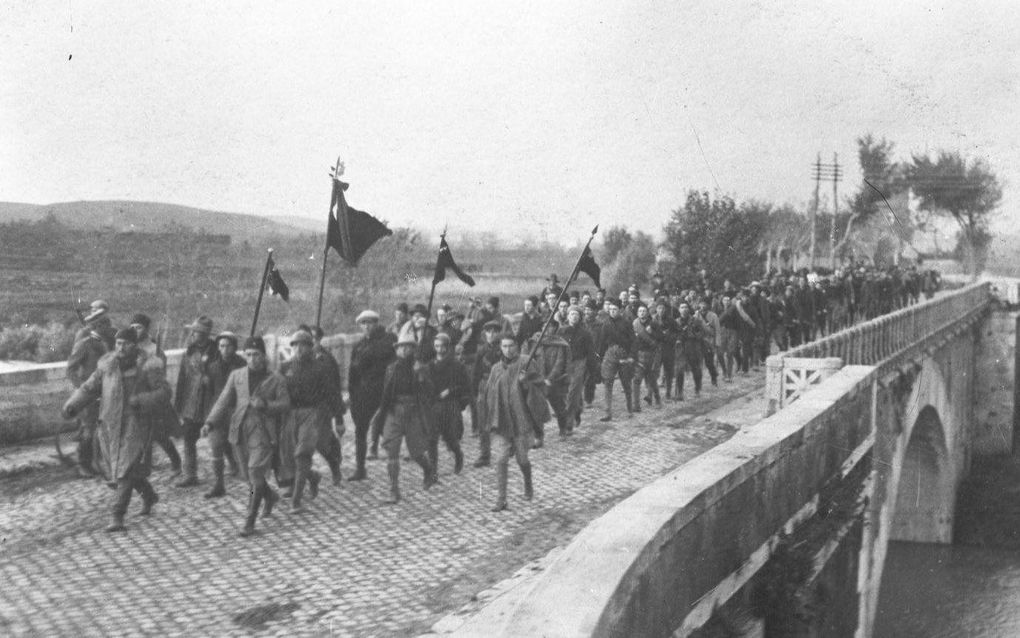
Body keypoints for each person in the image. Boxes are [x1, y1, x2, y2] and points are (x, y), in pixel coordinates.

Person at [61, 328, 170, 532]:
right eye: (118, 343)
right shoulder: (107, 365)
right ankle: (150, 496)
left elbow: (164, 392)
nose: (120, 348)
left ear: (135, 345)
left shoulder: (149, 366)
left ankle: (117, 515)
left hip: (136, 425)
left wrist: (142, 400)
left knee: (125, 470)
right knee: (120, 468)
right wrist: (73, 405)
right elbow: (89, 387)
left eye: (125, 344)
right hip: (110, 424)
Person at [204, 336, 290, 537]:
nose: (252, 359)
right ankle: (269, 497)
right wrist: (210, 422)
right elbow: (223, 400)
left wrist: (267, 405)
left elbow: (286, 404)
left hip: (263, 431)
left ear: (263, 355)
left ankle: (249, 520)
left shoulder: (275, 378)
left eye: (256, 355)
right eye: (249, 355)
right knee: (249, 476)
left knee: (255, 472)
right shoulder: (237, 375)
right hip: (240, 429)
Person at [279, 330, 346, 512]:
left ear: (311, 347)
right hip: (291, 414)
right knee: (288, 456)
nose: (299, 349)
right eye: (295, 345)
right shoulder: (285, 368)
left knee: (303, 454)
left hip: (314, 413)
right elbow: (275, 390)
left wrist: (339, 418)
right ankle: (312, 477)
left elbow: (332, 394)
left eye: (304, 345)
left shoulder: (320, 367)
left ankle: (296, 500)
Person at [482, 333, 549, 512]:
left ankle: (528, 481)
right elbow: (489, 392)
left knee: (522, 459)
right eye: (504, 346)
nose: (508, 350)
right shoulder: (496, 368)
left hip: (521, 421)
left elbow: (540, 388)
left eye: (511, 345)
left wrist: (526, 382)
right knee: (501, 459)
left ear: (517, 346)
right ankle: (501, 499)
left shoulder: (526, 363)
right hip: (502, 421)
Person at [371, 335, 437, 504]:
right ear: (397, 350)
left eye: (409, 347)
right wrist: (381, 415)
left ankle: (428, 470)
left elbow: (430, 391)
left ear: (414, 349)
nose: (405, 350)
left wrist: (421, 376)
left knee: (416, 452)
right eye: (402, 347)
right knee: (392, 451)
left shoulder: (420, 368)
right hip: (394, 412)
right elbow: (386, 392)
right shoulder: (391, 368)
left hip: (413, 411)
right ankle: (394, 490)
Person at [128, 313, 183, 477]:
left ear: (146, 329)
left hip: (152, 397)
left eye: (138, 327)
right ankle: (147, 466)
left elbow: (159, 376)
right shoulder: (131, 347)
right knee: (144, 434)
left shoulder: (155, 350)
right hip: (136, 396)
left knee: (158, 434)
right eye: (132, 328)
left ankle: (175, 462)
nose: (135, 331)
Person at [66, 300, 116, 478]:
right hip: (89, 391)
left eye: (106, 323)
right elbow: (70, 369)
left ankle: (97, 461)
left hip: (106, 390)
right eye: (102, 324)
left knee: (101, 428)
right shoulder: (85, 342)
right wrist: (82, 389)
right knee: (89, 430)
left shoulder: (107, 342)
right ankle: (83, 464)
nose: (106, 327)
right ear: (96, 324)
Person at [347, 310, 396, 480]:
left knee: (388, 433)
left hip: (383, 393)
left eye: (370, 322)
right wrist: (352, 396)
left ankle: (394, 471)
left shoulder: (388, 341)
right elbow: (352, 374)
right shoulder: (359, 345)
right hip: (363, 395)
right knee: (360, 432)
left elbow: (393, 365)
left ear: (376, 323)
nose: (366, 326)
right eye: (363, 323)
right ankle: (360, 469)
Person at [200, 331, 247, 498]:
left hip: (237, 412)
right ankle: (219, 484)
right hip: (218, 413)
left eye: (228, 346)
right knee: (216, 448)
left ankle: (254, 484)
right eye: (221, 346)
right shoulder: (212, 367)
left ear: (234, 347)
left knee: (242, 451)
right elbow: (211, 394)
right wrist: (208, 417)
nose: (225, 349)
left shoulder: (243, 366)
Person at [174, 316, 218, 488]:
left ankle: (235, 466)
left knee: (220, 438)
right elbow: (182, 379)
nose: (192, 334)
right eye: (192, 331)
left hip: (210, 402)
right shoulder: (189, 352)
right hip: (192, 403)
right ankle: (190, 474)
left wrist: (210, 379)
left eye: (196, 332)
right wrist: (179, 405)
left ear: (205, 334)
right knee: (188, 438)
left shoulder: (216, 351)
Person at [427, 333, 470, 479]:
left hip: (450, 405)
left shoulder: (456, 365)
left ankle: (458, 455)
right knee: (432, 439)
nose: (439, 349)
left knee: (450, 438)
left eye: (442, 346)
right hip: (434, 405)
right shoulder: (430, 365)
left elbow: (464, 385)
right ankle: (433, 470)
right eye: (437, 346)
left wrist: (450, 391)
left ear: (447, 346)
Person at [471, 320, 503, 467]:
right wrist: (474, 391)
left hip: (500, 385)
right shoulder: (481, 350)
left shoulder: (504, 349)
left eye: (494, 331)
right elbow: (476, 372)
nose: (491, 334)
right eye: (488, 331)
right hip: (484, 386)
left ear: (499, 333)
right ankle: (485, 455)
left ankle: (510, 447)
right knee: (483, 422)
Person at [597, 298, 634, 421]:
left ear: (620, 310)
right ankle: (608, 412)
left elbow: (633, 341)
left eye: (615, 309)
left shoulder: (627, 323)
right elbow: (602, 342)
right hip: (610, 355)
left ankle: (630, 408)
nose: (612, 312)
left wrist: (631, 356)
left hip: (624, 355)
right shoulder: (606, 324)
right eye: (611, 309)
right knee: (607, 382)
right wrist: (601, 357)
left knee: (626, 383)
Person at [558, 305, 595, 430]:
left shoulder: (585, 333)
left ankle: (568, 422)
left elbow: (590, 352)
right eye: (572, 314)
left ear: (580, 317)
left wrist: (593, 369)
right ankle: (577, 410)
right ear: (568, 316)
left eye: (576, 314)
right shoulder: (561, 331)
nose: (574, 316)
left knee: (573, 391)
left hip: (580, 363)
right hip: (565, 364)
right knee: (567, 391)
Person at [632, 303, 662, 409]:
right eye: (640, 311)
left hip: (651, 354)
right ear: (637, 313)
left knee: (652, 379)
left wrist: (652, 333)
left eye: (644, 311)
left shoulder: (653, 324)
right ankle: (636, 406)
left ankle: (657, 398)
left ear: (647, 313)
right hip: (639, 354)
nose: (642, 313)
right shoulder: (635, 324)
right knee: (636, 379)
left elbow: (660, 337)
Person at [674, 302, 706, 400]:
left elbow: (702, 332)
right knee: (679, 370)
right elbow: (673, 334)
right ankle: (679, 393)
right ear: (679, 310)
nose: (684, 309)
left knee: (696, 369)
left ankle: (697, 388)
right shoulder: (676, 322)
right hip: (681, 348)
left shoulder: (695, 320)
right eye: (682, 307)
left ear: (689, 309)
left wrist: (694, 335)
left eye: (686, 307)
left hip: (693, 347)